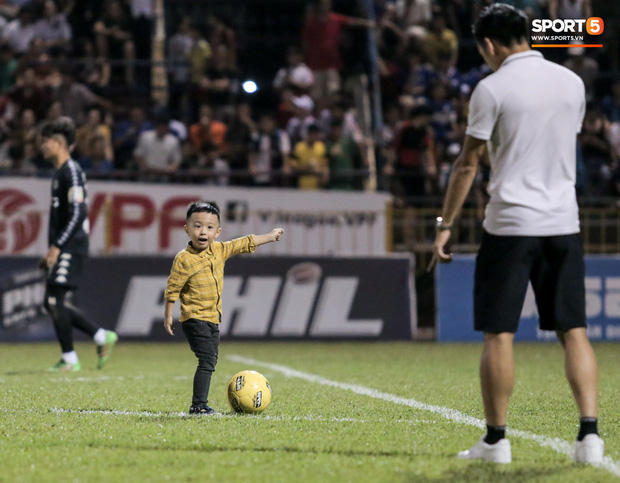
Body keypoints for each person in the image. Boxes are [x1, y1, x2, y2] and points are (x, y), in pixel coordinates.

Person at [431, 4, 603, 465]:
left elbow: (468, 163)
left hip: (510, 225)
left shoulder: (491, 88)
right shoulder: (572, 82)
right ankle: (590, 436)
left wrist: (443, 227)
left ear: (488, 44)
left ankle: (496, 440)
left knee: (499, 334)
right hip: (564, 223)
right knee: (575, 330)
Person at [163, 201, 283, 414]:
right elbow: (173, 287)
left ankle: (200, 404)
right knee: (207, 361)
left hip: (213, 318)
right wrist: (168, 316)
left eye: (209, 227)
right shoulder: (184, 258)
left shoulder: (219, 249)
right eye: (197, 226)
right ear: (187, 229)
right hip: (194, 318)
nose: (203, 231)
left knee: (210, 360)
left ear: (217, 232)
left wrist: (270, 236)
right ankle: (198, 406)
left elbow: (245, 243)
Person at [39, 117, 118, 372]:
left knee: (54, 299)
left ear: (58, 143)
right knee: (52, 300)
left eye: (45, 141)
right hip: (66, 245)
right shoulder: (61, 173)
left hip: (71, 245)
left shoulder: (71, 172)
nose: (42, 146)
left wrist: (57, 246)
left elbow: (78, 213)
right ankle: (99, 337)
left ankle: (71, 359)